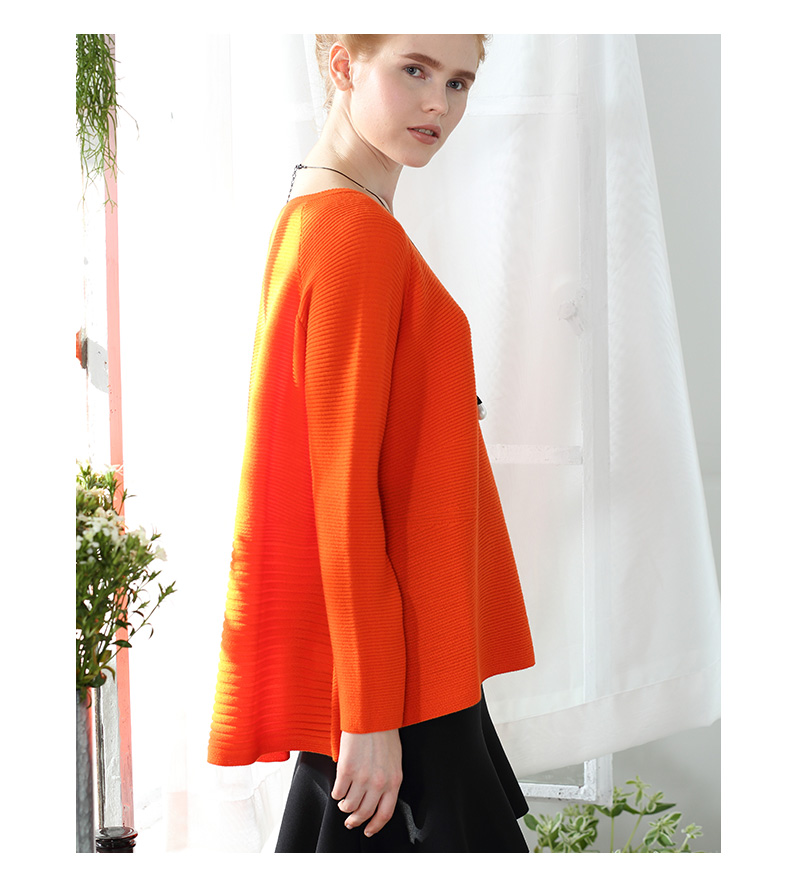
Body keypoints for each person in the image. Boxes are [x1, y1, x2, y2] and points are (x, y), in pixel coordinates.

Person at [208, 34, 536, 853]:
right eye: (413, 69)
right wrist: (370, 712)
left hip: (399, 668)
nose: (438, 104)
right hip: (401, 685)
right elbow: (341, 495)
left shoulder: (317, 213)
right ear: (342, 65)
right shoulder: (355, 233)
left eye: (459, 82)